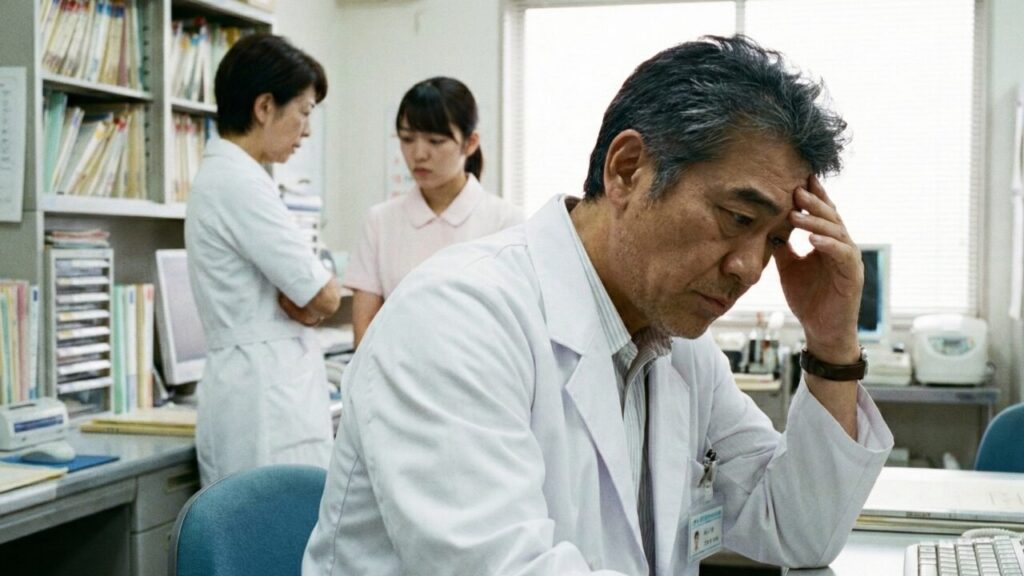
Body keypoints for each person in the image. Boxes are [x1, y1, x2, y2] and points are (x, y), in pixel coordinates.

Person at [303, 35, 893, 576]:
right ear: (627, 170)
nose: (750, 268)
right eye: (738, 218)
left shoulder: (679, 348)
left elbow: (799, 531)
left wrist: (831, 343)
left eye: (774, 240)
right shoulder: (455, 320)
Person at [185, 34, 342, 487]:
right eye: (304, 112)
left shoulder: (238, 177)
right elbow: (326, 297)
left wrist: (305, 300)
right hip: (262, 404)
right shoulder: (238, 183)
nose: (307, 131)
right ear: (265, 107)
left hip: (263, 392)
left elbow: (309, 296)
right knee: (274, 524)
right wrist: (308, 300)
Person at [342, 77, 522, 346]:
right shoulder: (380, 221)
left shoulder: (506, 222)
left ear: (470, 142)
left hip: (477, 367)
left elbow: (516, 328)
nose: (418, 154)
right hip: (396, 369)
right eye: (407, 139)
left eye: (435, 141)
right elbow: (364, 331)